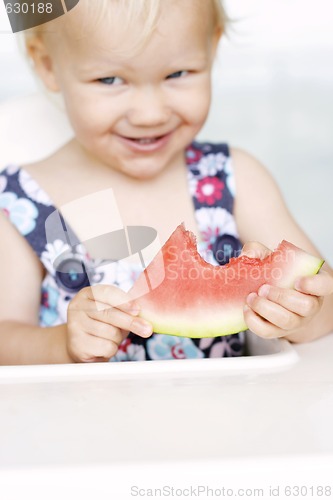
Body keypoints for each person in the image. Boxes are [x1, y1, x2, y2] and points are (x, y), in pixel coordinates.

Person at [0, 0, 332, 366]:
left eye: (178, 74)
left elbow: (324, 300)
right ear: (47, 65)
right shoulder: (20, 202)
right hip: (84, 420)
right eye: (110, 80)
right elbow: (5, 338)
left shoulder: (233, 178)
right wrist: (62, 344)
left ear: (213, 46)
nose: (150, 114)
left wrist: (301, 314)